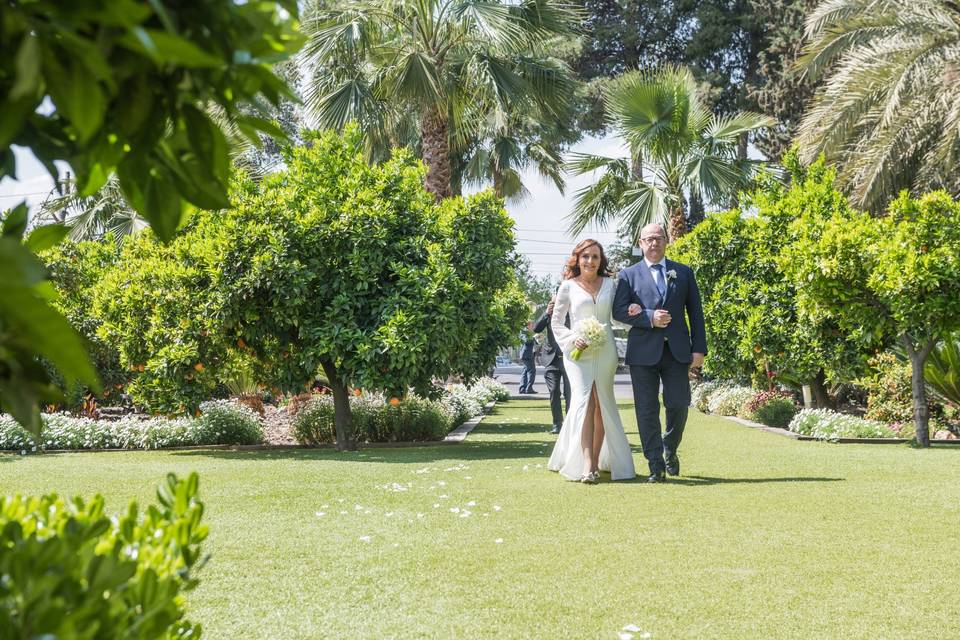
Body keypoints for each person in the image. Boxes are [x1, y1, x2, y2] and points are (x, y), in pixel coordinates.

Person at [612, 223, 707, 483]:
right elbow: (618, 311)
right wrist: (648, 317)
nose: (653, 243)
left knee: (678, 404)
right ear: (640, 243)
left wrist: (699, 349)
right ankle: (655, 462)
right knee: (646, 408)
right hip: (643, 352)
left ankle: (669, 447)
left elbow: (696, 314)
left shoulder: (683, 273)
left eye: (658, 238)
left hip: (677, 351)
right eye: (648, 239)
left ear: (666, 241)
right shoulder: (628, 275)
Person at [547, 239, 636, 483]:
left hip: (606, 351)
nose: (590, 261)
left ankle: (596, 461)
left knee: (602, 402)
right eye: (586, 256)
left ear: (601, 261)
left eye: (595, 257)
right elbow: (557, 322)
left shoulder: (611, 284)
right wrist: (571, 339)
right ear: (578, 259)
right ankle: (586, 464)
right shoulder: (567, 286)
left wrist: (633, 313)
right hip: (578, 355)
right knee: (585, 402)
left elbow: (617, 318)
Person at [534, 294, 571, 434]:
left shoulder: (571, 313)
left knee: (570, 394)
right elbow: (536, 329)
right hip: (551, 359)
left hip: (569, 357)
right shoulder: (549, 314)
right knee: (554, 391)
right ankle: (557, 424)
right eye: (554, 302)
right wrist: (546, 312)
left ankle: (570, 425)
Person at [518, 322, 538, 394]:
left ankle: (522, 388)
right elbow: (526, 341)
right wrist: (534, 337)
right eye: (532, 325)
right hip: (527, 355)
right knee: (531, 371)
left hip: (528, 354)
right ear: (528, 325)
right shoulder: (524, 332)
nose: (533, 326)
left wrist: (537, 338)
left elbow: (535, 342)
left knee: (525, 371)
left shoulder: (528, 332)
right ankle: (529, 388)